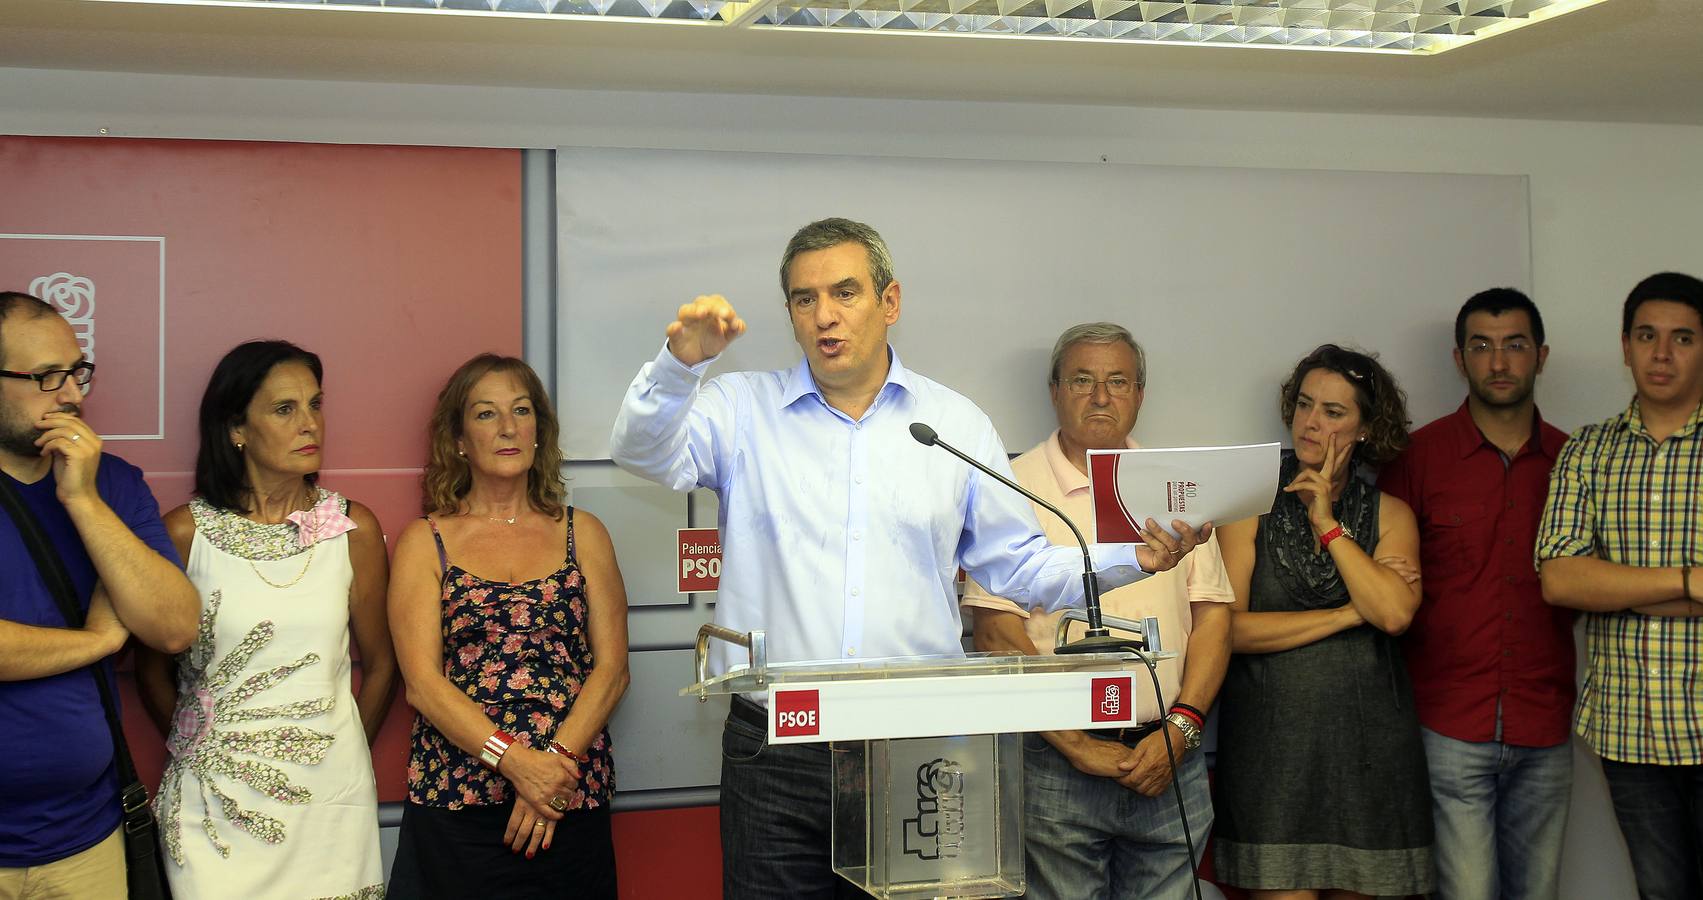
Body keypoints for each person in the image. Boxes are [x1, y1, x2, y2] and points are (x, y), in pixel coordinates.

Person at [609, 217, 1206, 899]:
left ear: (889, 302)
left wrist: (1134, 555)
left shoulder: (951, 426)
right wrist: (679, 364)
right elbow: (642, 453)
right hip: (776, 748)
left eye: (844, 293)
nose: (825, 316)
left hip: (913, 743)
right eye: (805, 300)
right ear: (790, 315)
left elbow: (1022, 569)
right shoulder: (741, 408)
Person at [961, 322, 1233, 899]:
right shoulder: (1010, 483)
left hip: (1170, 753)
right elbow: (994, 630)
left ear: (1140, 394)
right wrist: (1078, 746)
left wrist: (1183, 727)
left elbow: (1212, 618)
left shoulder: (1177, 486)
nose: (1102, 396)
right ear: (1054, 389)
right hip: (1056, 759)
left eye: (1118, 381)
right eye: (1083, 379)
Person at [132, 340, 395, 899]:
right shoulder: (183, 534)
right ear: (237, 428)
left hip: (328, 813)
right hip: (211, 814)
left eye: (316, 405)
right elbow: (151, 671)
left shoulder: (354, 529)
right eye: (285, 409)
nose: (310, 424)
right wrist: (197, 751)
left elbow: (382, 665)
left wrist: (339, 756)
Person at [388, 354, 629, 900]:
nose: (507, 428)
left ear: (539, 430)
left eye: (521, 411)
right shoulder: (424, 542)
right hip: (458, 805)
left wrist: (554, 769)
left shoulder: (583, 533)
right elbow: (423, 685)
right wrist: (517, 763)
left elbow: (612, 671)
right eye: (486, 414)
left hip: (569, 800)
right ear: (457, 439)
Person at [1213, 343, 1433, 899]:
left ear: (1365, 428)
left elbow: (1395, 615)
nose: (1312, 422)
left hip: (1371, 754)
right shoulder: (1247, 502)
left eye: (1334, 412)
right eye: (1305, 404)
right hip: (1271, 757)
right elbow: (1228, 632)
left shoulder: (1390, 513)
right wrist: (1344, 615)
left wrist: (1329, 524)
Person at [1377, 289, 1573, 900]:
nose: (1498, 363)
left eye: (1514, 346)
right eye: (1481, 347)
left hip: (1545, 722)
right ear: (1459, 360)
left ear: (1540, 356)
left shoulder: (1574, 461)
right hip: (1446, 725)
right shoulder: (1417, 458)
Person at [0, 291, 198, 896]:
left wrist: (82, 499)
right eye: (46, 377)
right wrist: (99, 639)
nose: (72, 394)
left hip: (85, 838)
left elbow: (172, 628)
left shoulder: (112, 484)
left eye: (77, 371)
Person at [1536, 271, 1703, 900]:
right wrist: (1689, 582)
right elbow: (1559, 577)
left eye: (1682, 337)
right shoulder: (1587, 450)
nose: (1662, 354)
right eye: (1647, 336)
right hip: (1631, 727)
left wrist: (1615, 583)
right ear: (1625, 346)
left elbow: (1589, 577)